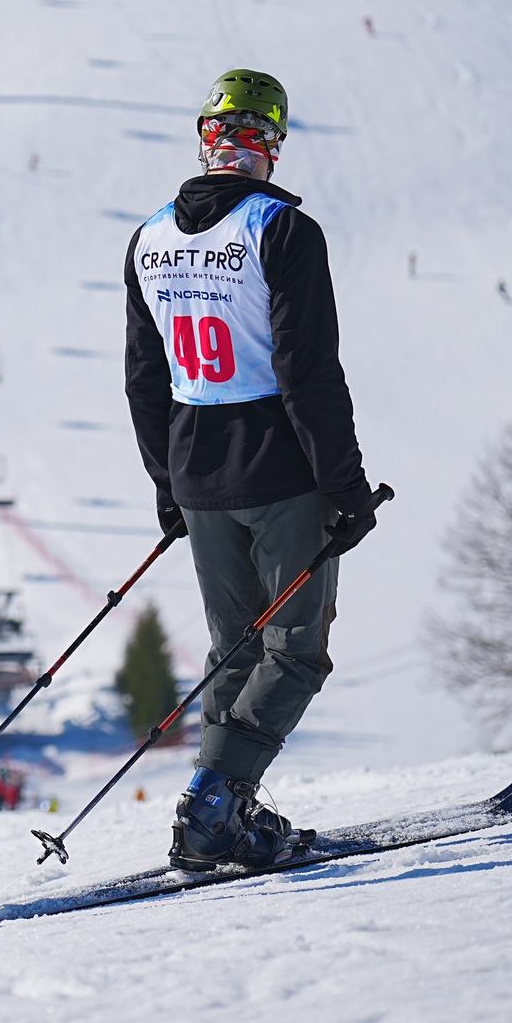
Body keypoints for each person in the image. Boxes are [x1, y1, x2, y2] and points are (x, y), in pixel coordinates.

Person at [124, 70, 376, 872]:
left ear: (206, 141)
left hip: (197, 472)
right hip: (279, 473)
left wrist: (167, 485)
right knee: (294, 652)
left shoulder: (149, 238)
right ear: (270, 146)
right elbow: (308, 372)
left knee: (234, 650)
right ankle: (213, 804)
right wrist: (346, 487)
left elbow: (143, 379)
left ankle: (220, 808)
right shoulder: (283, 230)